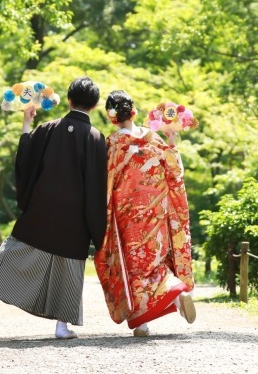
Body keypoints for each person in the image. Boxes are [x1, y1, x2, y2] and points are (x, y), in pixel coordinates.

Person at [0, 76, 108, 340]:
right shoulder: (96, 137)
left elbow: (26, 158)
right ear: (94, 106)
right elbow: (97, 185)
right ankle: (62, 327)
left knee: (16, 245)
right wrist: (97, 228)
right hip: (75, 217)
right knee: (69, 270)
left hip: (43, 206)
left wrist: (26, 122)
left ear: (69, 99)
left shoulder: (49, 128)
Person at [94, 90, 195, 337]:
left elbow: (102, 182)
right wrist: (172, 142)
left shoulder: (112, 145)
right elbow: (175, 173)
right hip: (157, 212)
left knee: (134, 267)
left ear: (112, 118)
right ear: (135, 112)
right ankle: (177, 294)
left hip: (127, 216)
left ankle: (142, 323)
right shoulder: (154, 140)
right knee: (156, 260)